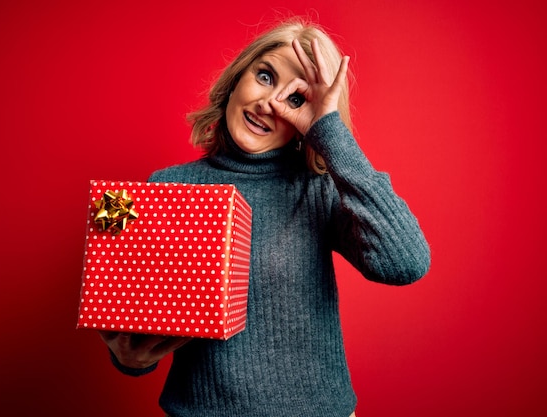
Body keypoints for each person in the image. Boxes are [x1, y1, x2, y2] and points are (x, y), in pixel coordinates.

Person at [98, 17, 431, 417]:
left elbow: (406, 262)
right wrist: (131, 358)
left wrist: (331, 135)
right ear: (238, 77)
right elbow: (139, 319)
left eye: (296, 100)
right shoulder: (168, 187)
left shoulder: (317, 191)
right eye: (265, 76)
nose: (268, 103)